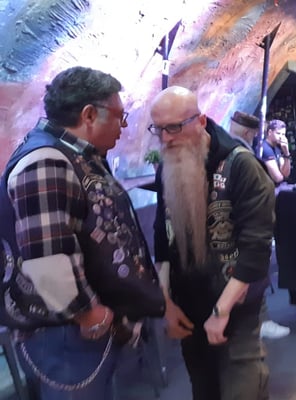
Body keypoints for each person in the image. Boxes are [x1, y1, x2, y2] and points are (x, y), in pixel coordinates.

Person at [0, 66, 165, 399]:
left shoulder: (73, 154)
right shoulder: (46, 161)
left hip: (76, 329)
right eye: (119, 116)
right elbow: (47, 259)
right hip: (66, 334)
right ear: (89, 114)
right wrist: (88, 313)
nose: (123, 125)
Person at [149, 86, 275, 399]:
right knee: (203, 389)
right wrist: (166, 303)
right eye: (158, 129)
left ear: (201, 121)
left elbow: (256, 248)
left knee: (243, 388)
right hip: (189, 303)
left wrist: (221, 312)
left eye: (174, 127)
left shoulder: (241, 165)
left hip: (237, 305)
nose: (165, 139)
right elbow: (163, 238)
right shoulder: (168, 166)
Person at [227, 112, 291, 340]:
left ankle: (254, 320)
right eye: (255, 133)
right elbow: (274, 179)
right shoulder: (243, 155)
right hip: (248, 222)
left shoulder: (230, 152)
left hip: (243, 222)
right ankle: (260, 321)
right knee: (253, 269)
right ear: (249, 132)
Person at [261, 119, 292, 186]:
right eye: (278, 133)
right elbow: (278, 178)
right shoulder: (265, 148)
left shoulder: (277, 148)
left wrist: (286, 153)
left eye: (283, 134)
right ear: (270, 132)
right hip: (268, 188)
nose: (281, 137)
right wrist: (283, 176)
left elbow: (286, 174)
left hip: (277, 186)